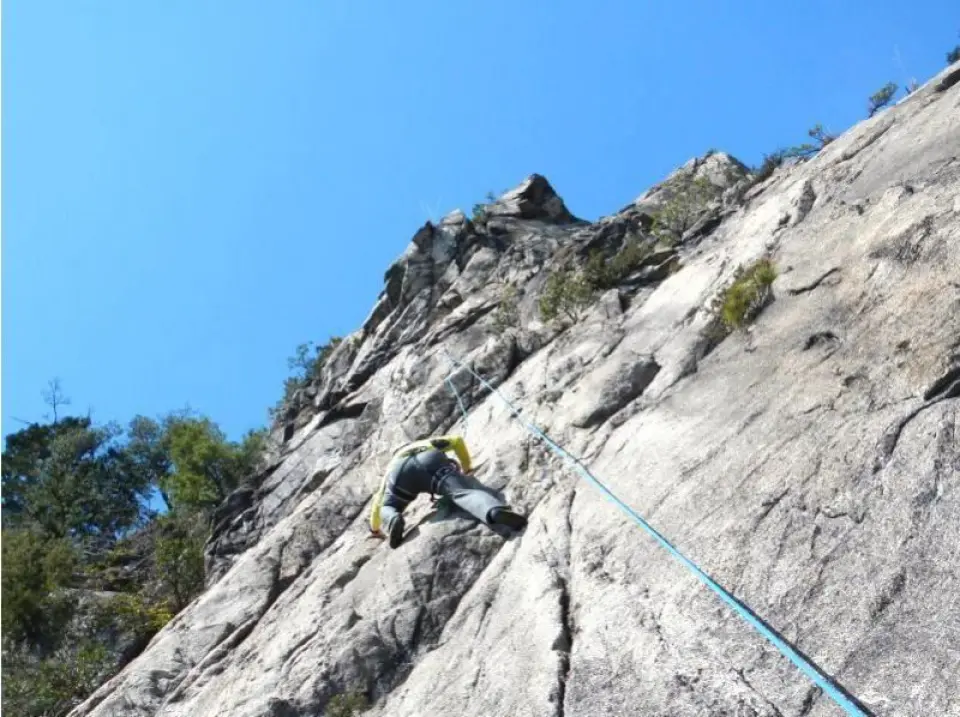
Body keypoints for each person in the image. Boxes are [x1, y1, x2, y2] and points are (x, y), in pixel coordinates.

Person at [369, 434, 527, 548]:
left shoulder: (391, 467)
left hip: (399, 475)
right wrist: (466, 468)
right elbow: (457, 440)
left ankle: (393, 519)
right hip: (430, 459)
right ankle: (493, 511)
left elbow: (377, 503)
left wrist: (375, 529)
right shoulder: (425, 443)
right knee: (461, 493)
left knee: (388, 506)